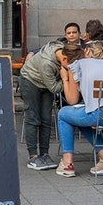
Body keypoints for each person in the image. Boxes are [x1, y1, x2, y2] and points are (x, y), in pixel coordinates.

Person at [55, 40, 103, 177]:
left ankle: (67, 163)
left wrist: (65, 79)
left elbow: (72, 100)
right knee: (81, 116)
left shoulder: (76, 65)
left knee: (63, 114)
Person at [19, 32, 65, 170]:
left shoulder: (61, 48)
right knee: (33, 118)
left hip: (46, 82)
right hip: (30, 80)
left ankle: (44, 154)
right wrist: (66, 78)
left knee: (46, 119)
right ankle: (33, 156)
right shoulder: (47, 64)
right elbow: (55, 88)